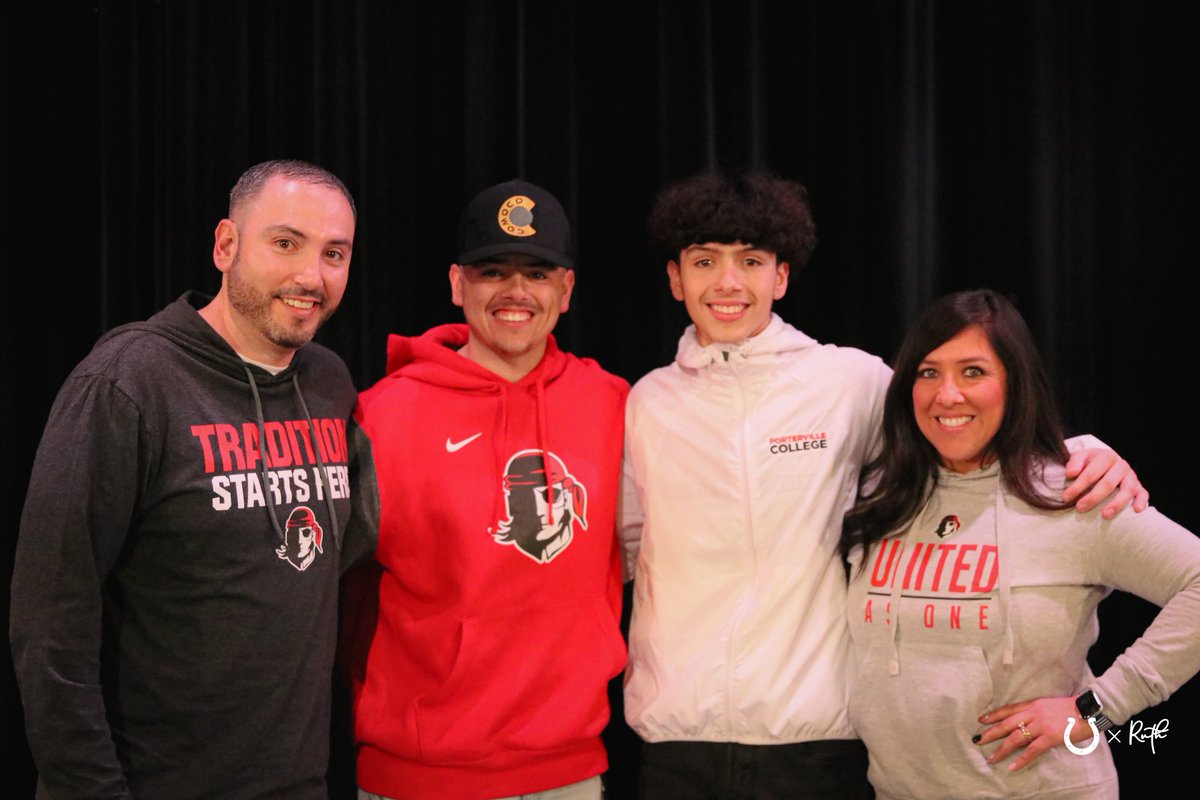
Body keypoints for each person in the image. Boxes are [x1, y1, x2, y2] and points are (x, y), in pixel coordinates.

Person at [618, 171, 1146, 798]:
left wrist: (1074, 452)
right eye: (705, 261)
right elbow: (620, 551)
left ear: (780, 276)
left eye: (750, 261)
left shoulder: (849, 383)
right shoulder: (645, 404)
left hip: (818, 745)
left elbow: (962, 420)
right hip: (676, 744)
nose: (728, 283)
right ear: (677, 278)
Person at [10, 159, 370, 799]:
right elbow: (50, 626)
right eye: (285, 243)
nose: (310, 276)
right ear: (226, 245)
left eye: (334, 253)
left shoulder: (329, 382)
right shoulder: (128, 384)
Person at [840, 288, 1200, 799]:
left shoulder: (1075, 493)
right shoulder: (879, 498)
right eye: (928, 372)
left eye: (973, 372)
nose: (947, 395)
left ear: (1015, 383)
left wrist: (1096, 710)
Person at [348, 179, 628, 800]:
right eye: (492, 270)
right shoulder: (380, 416)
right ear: (456, 284)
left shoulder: (613, 405)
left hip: (569, 774)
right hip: (419, 776)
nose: (516, 292)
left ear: (567, 289)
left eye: (537, 271)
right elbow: (333, 591)